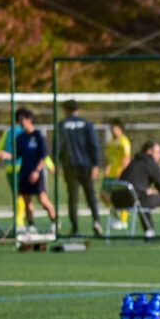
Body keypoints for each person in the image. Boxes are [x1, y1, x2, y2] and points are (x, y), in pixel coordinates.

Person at [111, 140, 160, 240]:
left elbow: (132, 184)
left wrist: (151, 192)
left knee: (141, 198)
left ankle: (149, 233)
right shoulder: (150, 163)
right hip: (136, 200)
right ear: (149, 151)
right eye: (158, 152)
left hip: (118, 201)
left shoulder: (133, 163)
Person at [3, 108, 56, 234]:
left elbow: (43, 155)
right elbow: (16, 156)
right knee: (27, 200)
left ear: (29, 119)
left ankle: (54, 222)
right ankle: (31, 225)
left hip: (37, 173)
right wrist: (5, 155)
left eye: (23, 119)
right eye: (19, 120)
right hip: (24, 173)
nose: (21, 122)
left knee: (42, 199)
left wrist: (37, 171)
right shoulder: (20, 138)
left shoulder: (38, 136)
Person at [56, 100, 103, 237]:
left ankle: (75, 227)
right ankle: (96, 221)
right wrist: (95, 164)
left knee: (73, 197)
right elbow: (94, 145)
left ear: (65, 110)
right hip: (86, 166)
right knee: (90, 195)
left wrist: (56, 163)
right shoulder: (87, 124)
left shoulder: (62, 125)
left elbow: (58, 145)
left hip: (70, 166)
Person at [103, 119, 133, 230]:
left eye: (114, 127)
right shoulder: (110, 141)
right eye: (111, 127)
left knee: (121, 196)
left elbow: (126, 158)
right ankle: (115, 215)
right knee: (103, 194)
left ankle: (123, 220)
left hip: (119, 174)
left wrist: (122, 173)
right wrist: (106, 170)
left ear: (119, 128)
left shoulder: (124, 141)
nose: (112, 129)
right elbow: (108, 158)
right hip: (110, 174)